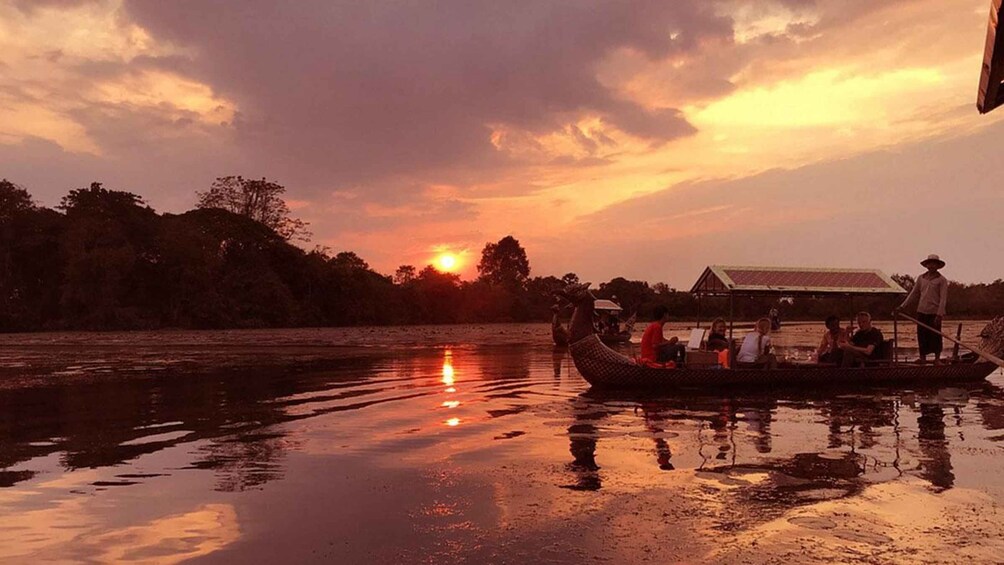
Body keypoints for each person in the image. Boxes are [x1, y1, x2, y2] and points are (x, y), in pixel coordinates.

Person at [896, 254, 948, 365]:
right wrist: (902, 306)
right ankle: (922, 358)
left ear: (937, 266)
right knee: (922, 335)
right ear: (927, 265)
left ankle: (937, 359)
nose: (931, 266)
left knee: (935, 335)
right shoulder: (921, 278)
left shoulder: (942, 280)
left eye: (934, 264)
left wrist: (939, 315)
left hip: (934, 312)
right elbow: (913, 294)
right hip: (922, 311)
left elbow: (943, 299)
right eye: (930, 264)